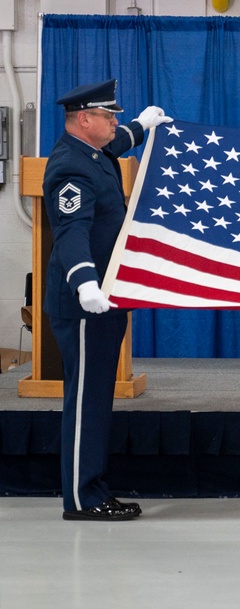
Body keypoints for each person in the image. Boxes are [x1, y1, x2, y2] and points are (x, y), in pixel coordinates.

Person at [44, 79, 172, 520]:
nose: (114, 121)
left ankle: (93, 490)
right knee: (86, 401)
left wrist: (142, 125)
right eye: (108, 115)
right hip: (85, 302)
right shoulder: (69, 167)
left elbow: (116, 142)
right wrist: (84, 282)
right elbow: (70, 231)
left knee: (96, 397)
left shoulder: (91, 152)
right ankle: (83, 499)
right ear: (84, 119)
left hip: (104, 300)